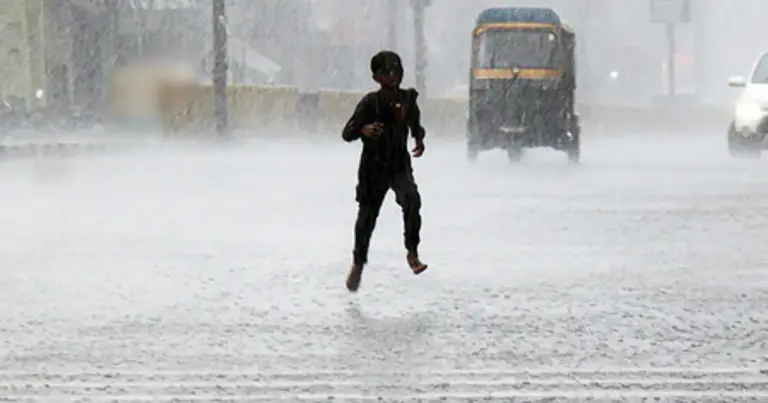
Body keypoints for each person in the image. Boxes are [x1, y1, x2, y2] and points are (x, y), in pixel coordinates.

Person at [342, 50, 428, 292]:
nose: (394, 76)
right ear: (377, 76)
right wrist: (364, 130)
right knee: (367, 216)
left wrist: (419, 140)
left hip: (399, 164)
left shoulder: (409, 99)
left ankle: (412, 252)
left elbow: (416, 125)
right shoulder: (370, 103)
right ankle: (358, 263)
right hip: (373, 166)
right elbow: (347, 132)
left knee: (411, 200)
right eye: (388, 71)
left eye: (397, 70)